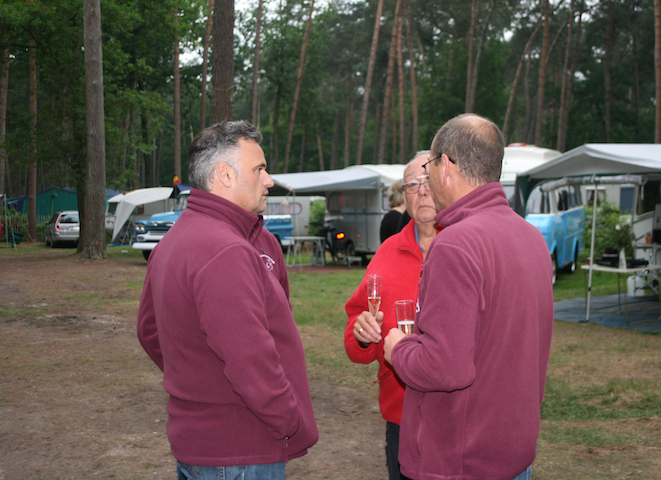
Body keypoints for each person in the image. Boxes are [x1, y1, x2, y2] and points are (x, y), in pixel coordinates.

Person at [137, 120, 318, 480]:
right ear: (224, 174)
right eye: (259, 169)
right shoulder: (225, 250)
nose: (269, 180)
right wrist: (288, 417)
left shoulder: (175, 240)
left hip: (204, 445)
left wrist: (197, 378)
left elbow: (149, 331)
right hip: (241, 447)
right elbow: (250, 360)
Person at [383, 114, 554, 480]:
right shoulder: (531, 237)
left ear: (445, 165)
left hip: (459, 462)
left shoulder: (455, 244)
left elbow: (443, 367)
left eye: (429, 166)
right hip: (512, 455)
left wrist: (398, 348)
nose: (428, 177)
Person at [345, 151, 437, 480]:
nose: (421, 191)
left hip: (457, 417)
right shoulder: (387, 252)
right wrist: (361, 334)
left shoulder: (468, 247)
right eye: (412, 184)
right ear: (404, 195)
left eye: (428, 181)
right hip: (401, 416)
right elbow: (356, 326)